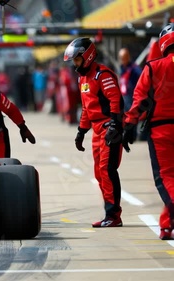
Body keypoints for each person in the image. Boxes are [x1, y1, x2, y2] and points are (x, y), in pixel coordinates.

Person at [63, 37, 125, 228]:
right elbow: (86, 109)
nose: (75, 63)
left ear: (87, 56)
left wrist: (115, 125)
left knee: (107, 171)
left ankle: (113, 215)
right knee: (99, 173)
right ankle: (110, 214)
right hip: (96, 131)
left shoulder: (102, 75)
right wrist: (81, 131)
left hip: (109, 129)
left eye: (77, 59)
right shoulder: (83, 78)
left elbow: (116, 100)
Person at [122, 23, 174, 240]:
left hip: (162, 131)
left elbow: (140, 101)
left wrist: (129, 126)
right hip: (162, 129)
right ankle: (166, 225)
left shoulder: (153, 67)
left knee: (166, 177)